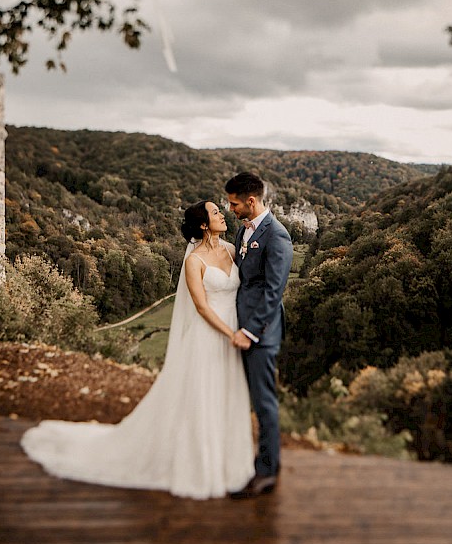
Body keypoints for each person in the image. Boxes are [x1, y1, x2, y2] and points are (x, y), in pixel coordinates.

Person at [20, 200, 255, 499]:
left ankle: (226, 461)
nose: (222, 214)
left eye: (221, 210)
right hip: (210, 335)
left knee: (225, 394)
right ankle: (200, 464)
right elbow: (200, 306)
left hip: (234, 330)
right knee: (202, 395)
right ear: (203, 225)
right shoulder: (194, 261)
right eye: (215, 212)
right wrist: (229, 333)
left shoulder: (233, 251)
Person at [225, 172, 294, 499]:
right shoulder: (242, 231)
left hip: (260, 332)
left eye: (234, 202)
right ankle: (262, 461)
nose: (231, 208)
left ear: (251, 201)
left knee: (264, 402)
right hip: (240, 326)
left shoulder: (277, 236)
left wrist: (251, 331)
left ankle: (267, 471)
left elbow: (273, 291)